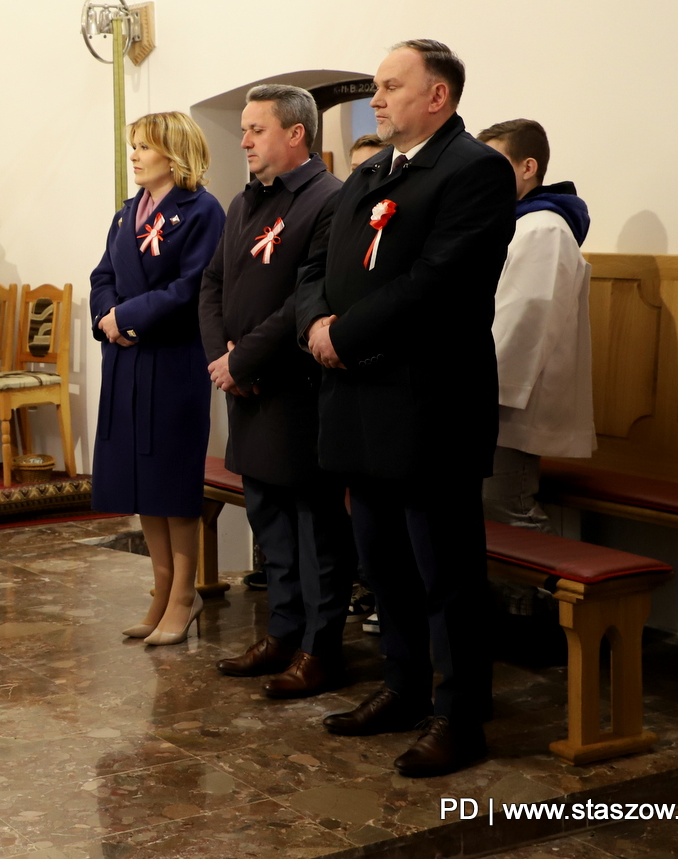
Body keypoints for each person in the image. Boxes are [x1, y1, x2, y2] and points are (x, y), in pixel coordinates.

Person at [295, 40, 514, 777]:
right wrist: (315, 326)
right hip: (359, 399)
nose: (377, 99)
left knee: (445, 571)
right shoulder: (369, 173)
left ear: (438, 97)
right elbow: (316, 269)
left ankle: (460, 717)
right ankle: (402, 686)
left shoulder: (473, 171)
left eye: (392, 87)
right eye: (378, 87)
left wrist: (343, 335)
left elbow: (438, 283)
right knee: (383, 561)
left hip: (430, 404)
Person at [200, 84, 353, 697]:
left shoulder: (329, 201)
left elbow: (308, 300)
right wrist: (222, 356)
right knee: (271, 523)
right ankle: (283, 633)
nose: (243, 142)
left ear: (296, 134)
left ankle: (321, 648)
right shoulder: (244, 202)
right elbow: (212, 284)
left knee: (316, 530)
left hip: (297, 391)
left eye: (255, 130)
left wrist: (247, 357)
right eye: (242, 129)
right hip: (247, 389)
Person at [91, 111, 226, 646]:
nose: (135, 155)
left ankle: (184, 597)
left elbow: (192, 286)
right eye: (134, 146)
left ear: (174, 153)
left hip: (173, 359)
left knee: (171, 481)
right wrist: (109, 317)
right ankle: (160, 592)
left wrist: (126, 317)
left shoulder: (202, 210)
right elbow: (103, 273)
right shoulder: (128, 213)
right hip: (126, 359)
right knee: (141, 480)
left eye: (144, 146)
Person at [476, 119, 594, 530]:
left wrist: (477, 385)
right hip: (488, 395)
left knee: (508, 509)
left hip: (507, 402)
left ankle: (532, 598)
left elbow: (523, 320)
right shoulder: (512, 222)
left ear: (528, 167)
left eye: (495, 165)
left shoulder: (543, 227)